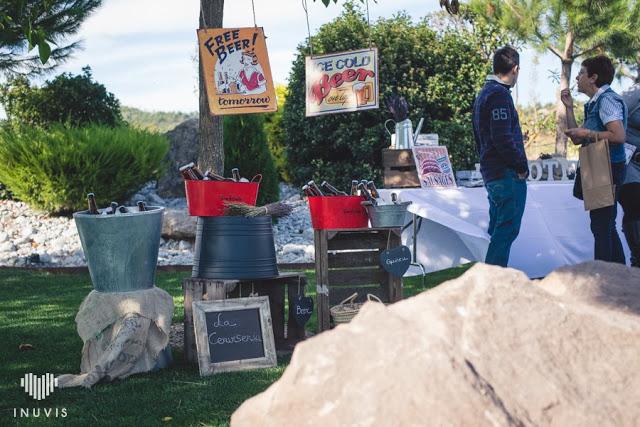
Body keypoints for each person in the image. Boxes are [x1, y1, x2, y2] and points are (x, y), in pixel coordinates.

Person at [561, 55, 627, 264]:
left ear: (593, 77)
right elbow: (577, 139)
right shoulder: (593, 103)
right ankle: (620, 276)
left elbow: (618, 136)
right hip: (597, 165)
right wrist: (569, 108)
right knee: (606, 226)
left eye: (581, 73)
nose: (577, 77)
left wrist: (588, 133)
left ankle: (605, 280)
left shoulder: (607, 101)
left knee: (601, 227)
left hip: (607, 167)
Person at [472, 46, 529, 267]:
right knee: (506, 231)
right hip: (505, 173)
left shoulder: (484, 93)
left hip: (491, 171)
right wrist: (521, 165)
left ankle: (490, 279)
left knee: (498, 230)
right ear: (515, 69)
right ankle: (493, 283)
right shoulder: (498, 95)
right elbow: (502, 138)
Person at [621, 82, 640, 266]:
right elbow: (611, 121)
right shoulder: (634, 93)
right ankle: (637, 259)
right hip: (628, 163)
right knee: (635, 206)